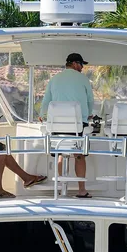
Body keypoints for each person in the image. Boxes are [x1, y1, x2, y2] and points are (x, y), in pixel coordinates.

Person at [39, 53, 94, 198]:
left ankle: (61, 188)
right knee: (79, 155)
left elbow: (46, 101)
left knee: (60, 152)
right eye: (81, 65)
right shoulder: (84, 79)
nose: (82, 68)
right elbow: (90, 102)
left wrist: (43, 115)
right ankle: (81, 190)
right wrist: (88, 114)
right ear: (75, 64)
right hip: (77, 125)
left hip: (56, 125)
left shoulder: (54, 79)